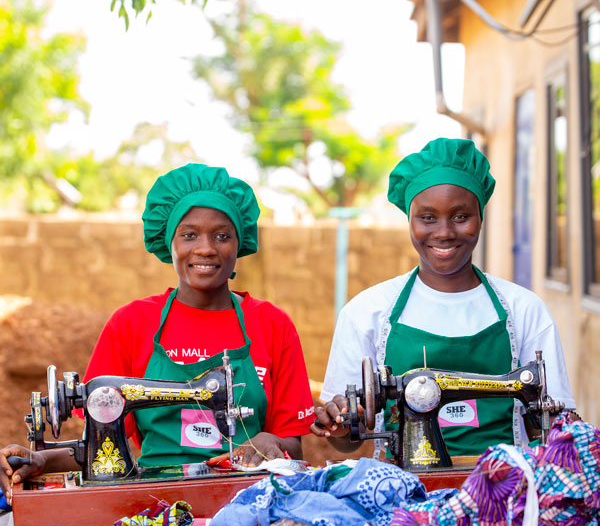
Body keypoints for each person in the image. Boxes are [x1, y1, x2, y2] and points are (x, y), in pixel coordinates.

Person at [0, 163, 314, 496]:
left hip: (249, 495)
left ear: (239, 242)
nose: (206, 248)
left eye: (222, 235)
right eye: (189, 235)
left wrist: (271, 442)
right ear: (169, 241)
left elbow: (293, 447)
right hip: (152, 498)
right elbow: (102, 444)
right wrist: (40, 460)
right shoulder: (131, 324)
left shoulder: (272, 325)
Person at [310, 137, 576, 457]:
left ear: (480, 218)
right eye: (428, 217)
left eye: (461, 216)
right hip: (403, 481)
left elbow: (553, 423)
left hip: (504, 478)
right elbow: (346, 440)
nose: (444, 232)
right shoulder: (367, 312)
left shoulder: (525, 309)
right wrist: (340, 424)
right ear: (410, 220)